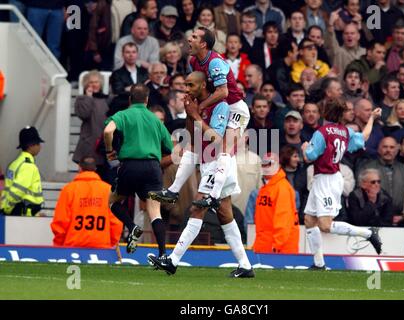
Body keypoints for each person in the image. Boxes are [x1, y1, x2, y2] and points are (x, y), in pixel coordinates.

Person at [148, 71, 254, 278]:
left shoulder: (220, 106)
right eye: (185, 85)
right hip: (208, 162)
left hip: (219, 164)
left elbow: (215, 138)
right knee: (225, 214)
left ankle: (173, 260)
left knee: (197, 208)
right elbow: (193, 137)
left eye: (190, 85)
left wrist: (196, 115)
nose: (186, 89)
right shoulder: (197, 104)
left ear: (203, 85)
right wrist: (190, 113)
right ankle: (245, 265)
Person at [150, 27, 250, 210]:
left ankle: (213, 196)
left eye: (194, 37)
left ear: (203, 44)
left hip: (235, 108)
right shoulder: (194, 61)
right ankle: (173, 190)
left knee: (224, 149)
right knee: (193, 144)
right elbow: (200, 87)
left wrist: (199, 109)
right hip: (216, 106)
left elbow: (223, 92)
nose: (189, 38)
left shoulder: (214, 63)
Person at [301, 99, 383, 269]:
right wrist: (372, 119)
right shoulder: (345, 131)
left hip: (327, 179)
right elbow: (364, 137)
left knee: (325, 225)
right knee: (309, 219)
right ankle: (319, 264)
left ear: (325, 112)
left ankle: (368, 233)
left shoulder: (321, 132)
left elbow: (309, 156)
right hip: (326, 178)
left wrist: (304, 148)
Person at [103, 84, 173, 255]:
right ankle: (163, 254)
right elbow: (170, 147)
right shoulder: (155, 119)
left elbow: (107, 131)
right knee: (155, 211)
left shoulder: (123, 115)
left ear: (130, 99)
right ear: (147, 100)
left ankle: (132, 226)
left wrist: (109, 150)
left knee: (113, 202)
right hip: (152, 167)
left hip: (130, 166)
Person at [51, 157, 123, 248]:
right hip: (101, 247)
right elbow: (116, 222)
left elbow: (60, 222)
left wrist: (59, 244)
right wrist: (110, 242)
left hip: (72, 246)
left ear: (80, 168)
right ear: (95, 169)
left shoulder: (68, 190)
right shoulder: (108, 190)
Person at [253, 152, 299, 254]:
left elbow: (283, 220)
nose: (266, 167)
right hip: (265, 245)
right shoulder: (266, 188)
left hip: (279, 250)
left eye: (270, 164)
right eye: (264, 164)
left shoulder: (282, 188)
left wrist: (276, 246)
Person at [72, 71, 109, 180]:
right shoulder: (81, 99)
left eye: (96, 82)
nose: (94, 84)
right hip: (89, 145)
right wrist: (88, 97)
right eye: (91, 82)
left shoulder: (106, 99)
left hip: (104, 145)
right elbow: (84, 114)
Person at [0, 126, 44, 216]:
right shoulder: (28, 166)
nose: (40, 146)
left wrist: (5, 208)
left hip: (17, 212)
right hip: (23, 215)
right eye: (38, 143)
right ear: (31, 145)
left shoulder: (15, 164)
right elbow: (17, 191)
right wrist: (8, 209)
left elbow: (7, 190)